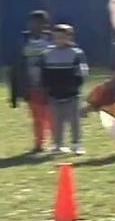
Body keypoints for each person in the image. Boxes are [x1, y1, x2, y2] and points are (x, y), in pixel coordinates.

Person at [8, 9, 54, 152]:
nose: (35, 26)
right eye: (32, 23)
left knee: (51, 115)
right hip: (31, 85)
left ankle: (57, 142)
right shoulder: (22, 41)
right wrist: (15, 91)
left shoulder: (52, 40)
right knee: (37, 116)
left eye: (39, 23)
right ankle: (39, 143)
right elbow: (15, 65)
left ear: (45, 25)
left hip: (50, 85)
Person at [40, 24, 89, 154]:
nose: (59, 40)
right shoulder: (47, 53)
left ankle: (77, 144)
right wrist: (47, 89)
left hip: (72, 93)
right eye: (56, 37)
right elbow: (44, 73)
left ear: (69, 37)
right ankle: (58, 144)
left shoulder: (76, 53)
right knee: (56, 120)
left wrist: (76, 86)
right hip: (54, 94)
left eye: (62, 37)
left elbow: (82, 72)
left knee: (74, 120)